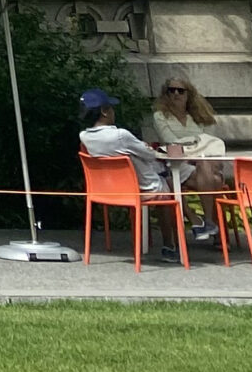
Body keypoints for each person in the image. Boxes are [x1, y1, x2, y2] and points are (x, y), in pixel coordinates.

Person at [79, 87, 188, 260]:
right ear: (104, 111)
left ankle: (189, 226)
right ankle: (172, 244)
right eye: (111, 108)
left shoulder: (84, 137)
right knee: (169, 190)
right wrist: (144, 147)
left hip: (108, 191)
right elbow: (150, 154)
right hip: (145, 189)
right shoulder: (121, 135)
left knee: (165, 181)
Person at [150, 76, 232, 238]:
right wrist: (197, 142)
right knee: (213, 181)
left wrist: (194, 146)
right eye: (171, 90)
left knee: (205, 164)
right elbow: (170, 140)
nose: (176, 94)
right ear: (165, 94)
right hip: (177, 164)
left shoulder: (198, 117)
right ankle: (216, 232)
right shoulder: (160, 116)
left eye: (180, 90)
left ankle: (207, 223)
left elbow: (211, 143)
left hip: (202, 163)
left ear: (189, 94)